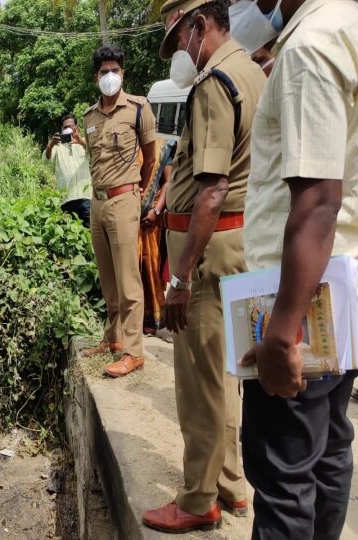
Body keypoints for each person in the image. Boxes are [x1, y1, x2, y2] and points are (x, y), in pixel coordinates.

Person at [231, 0, 358, 537]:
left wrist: (282, 334)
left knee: (282, 472)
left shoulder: (309, 46)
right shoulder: (348, 24)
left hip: (299, 295)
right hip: (340, 288)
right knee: (328, 447)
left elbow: (315, 201)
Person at [142, 0, 266, 533]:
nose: (180, 54)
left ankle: (197, 499)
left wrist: (179, 275)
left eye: (178, 41)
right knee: (226, 373)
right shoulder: (253, 72)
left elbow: (211, 189)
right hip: (238, 243)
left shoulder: (216, 82)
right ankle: (233, 484)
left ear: (199, 25)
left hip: (208, 250)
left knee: (198, 382)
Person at [81, 44, 157, 378]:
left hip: (125, 199)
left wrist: (137, 193)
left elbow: (151, 158)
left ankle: (134, 351)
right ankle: (112, 339)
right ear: (95, 77)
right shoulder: (89, 117)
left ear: (122, 73)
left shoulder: (139, 108)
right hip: (97, 203)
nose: (109, 76)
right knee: (108, 278)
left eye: (114, 70)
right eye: (103, 72)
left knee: (128, 280)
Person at [139, 139, 176, 335]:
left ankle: (153, 319)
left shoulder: (162, 148)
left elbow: (168, 182)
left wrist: (156, 209)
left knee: (150, 268)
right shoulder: (127, 143)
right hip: (128, 217)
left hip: (150, 221)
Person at [43, 114, 92, 228]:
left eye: (70, 126)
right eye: (65, 127)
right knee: (71, 235)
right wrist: (50, 145)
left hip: (85, 197)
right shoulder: (57, 146)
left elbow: (95, 153)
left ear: (76, 127)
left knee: (90, 232)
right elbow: (46, 160)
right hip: (67, 199)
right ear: (61, 129)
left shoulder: (84, 142)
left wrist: (79, 140)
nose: (68, 129)